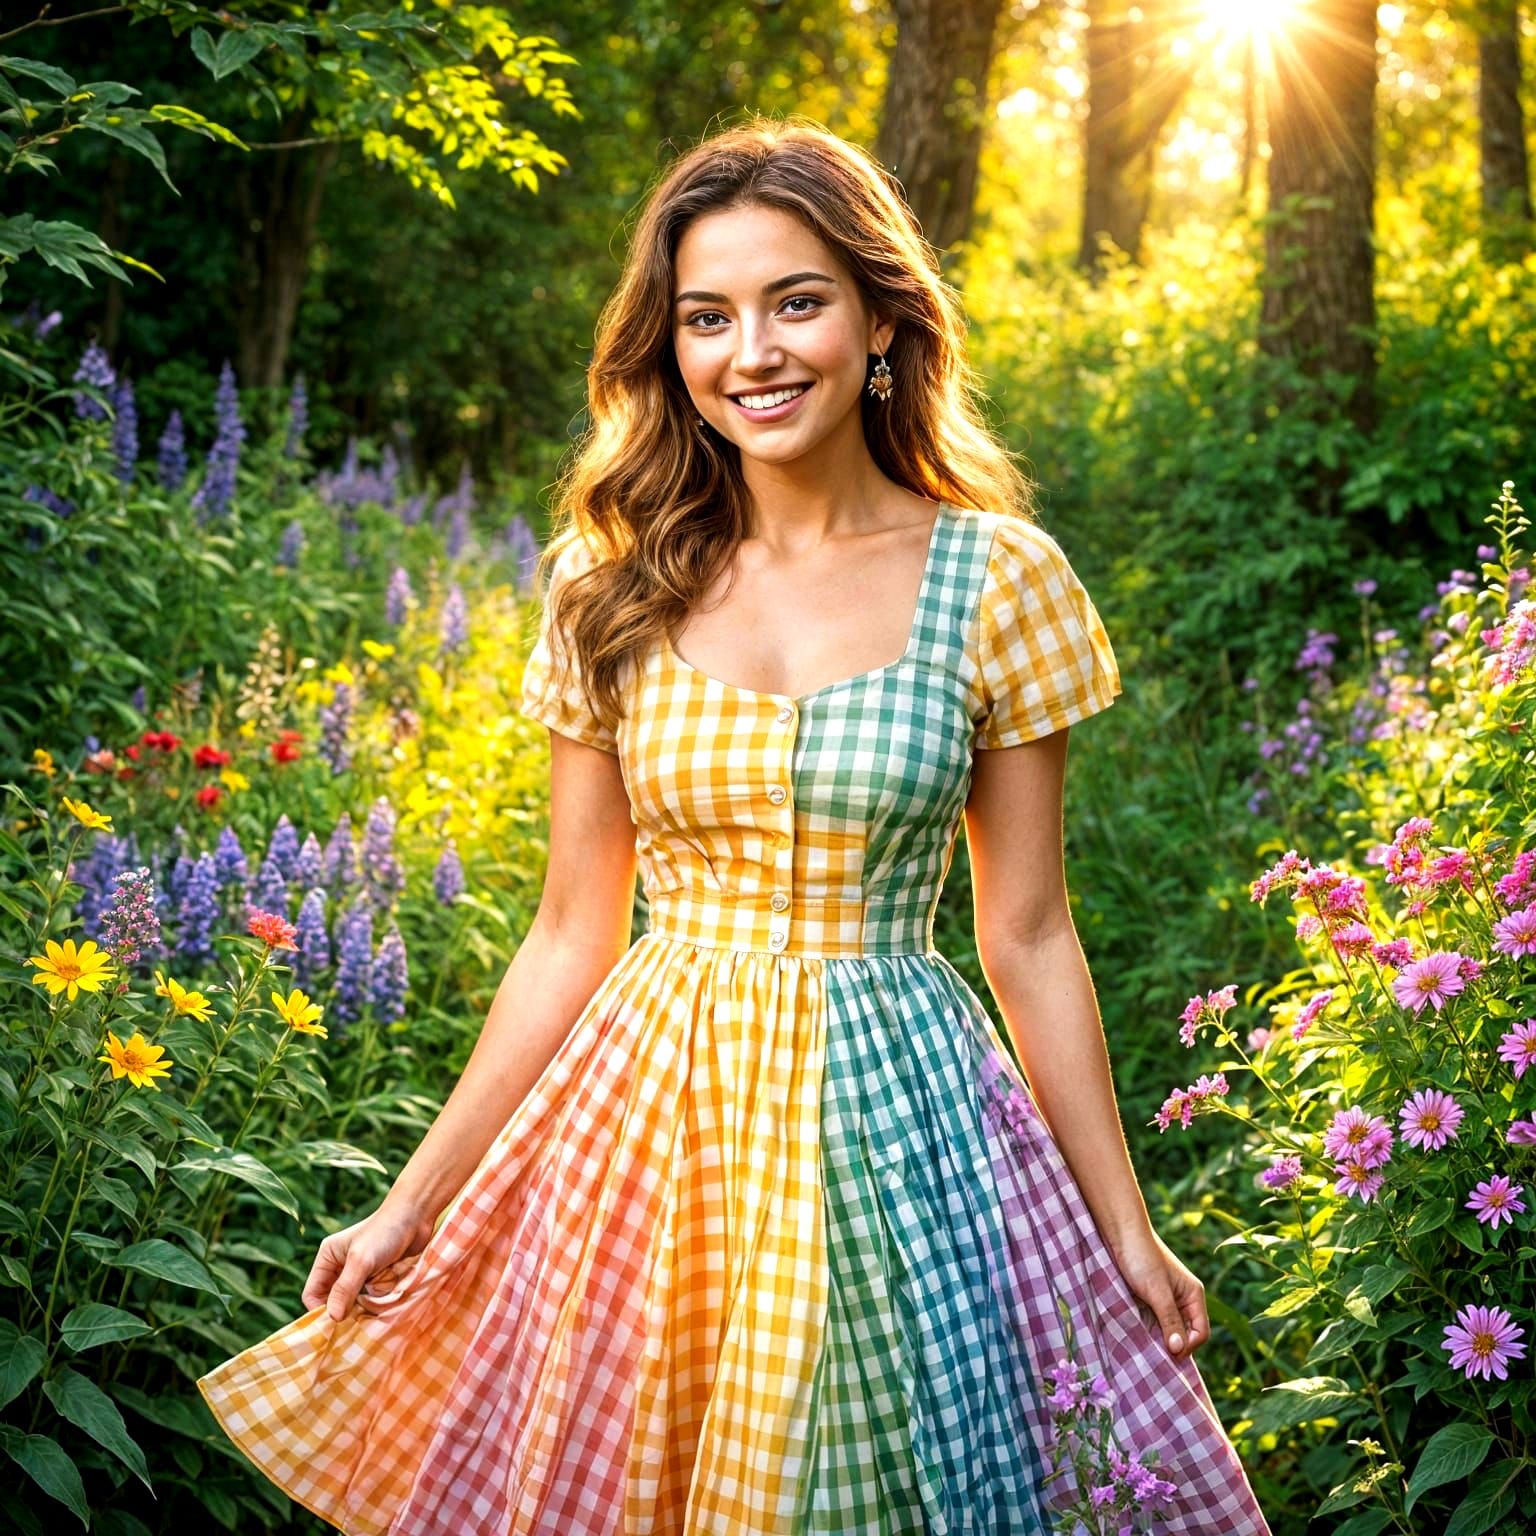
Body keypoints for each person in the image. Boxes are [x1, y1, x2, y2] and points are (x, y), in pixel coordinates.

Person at [198, 113, 1271, 1534]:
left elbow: (1027, 931)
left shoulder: (998, 576)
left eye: (797, 302)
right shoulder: (612, 578)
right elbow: (572, 928)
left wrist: (1121, 1227)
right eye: (708, 316)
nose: (751, 352)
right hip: (649, 1123)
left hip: (905, 1124)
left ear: (882, 318)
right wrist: (411, 1200)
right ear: (670, 348)